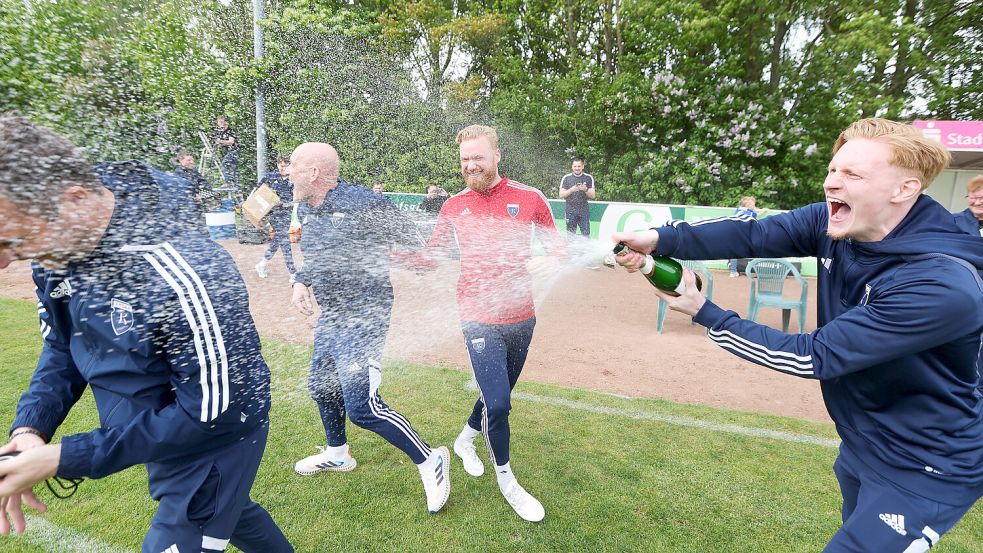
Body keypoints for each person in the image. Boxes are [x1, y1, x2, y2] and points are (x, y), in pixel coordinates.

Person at [613, 118, 983, 552]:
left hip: (928, 467)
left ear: (904, 189)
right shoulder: (834, 224)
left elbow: (815, 356)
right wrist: (659, 238)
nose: (832, 184)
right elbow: (754, 233)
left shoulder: (939, 284)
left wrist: (708, 314)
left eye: (852, 175)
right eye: (832, 170)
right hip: (863, 443)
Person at [0, 117, 292, 552]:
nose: (6, 263)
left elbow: (214, 411)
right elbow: (64, 346)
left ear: (74, 201)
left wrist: (65, 457)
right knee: (235, 515)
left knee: (206, 509)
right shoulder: (57, 254)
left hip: (220, 435)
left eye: (15, 242)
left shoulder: (181, 264)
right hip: (152, 432)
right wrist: (31, 428)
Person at [405, 125, 566, 522]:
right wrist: (389, 255)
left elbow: (559, 249)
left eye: (477, 157)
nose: (470, 166)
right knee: (498, 402)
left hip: (521, 317)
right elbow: (430, 259)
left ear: (497, 156)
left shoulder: (529, 198)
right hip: (476, 316)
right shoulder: (452, 205)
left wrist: (548, 260)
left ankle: (464, 441)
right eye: (464, 160)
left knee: (499, 394)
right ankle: (508, 482)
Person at [286, 142, 451, 514]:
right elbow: (315, 256)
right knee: (321, 387)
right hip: (333, 316)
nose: (287, 171)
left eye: (293, 165)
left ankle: (430, 459)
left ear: (314, 172)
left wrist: (382, 255)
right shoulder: (306, 209)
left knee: (363, 408)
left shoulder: (363, 202)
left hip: (366, 315)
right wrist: (301, 281)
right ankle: (338, 454)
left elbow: (412, 243)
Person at [254, 155, 297, 281]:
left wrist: (283, 203)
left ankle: (262, 264)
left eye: (285, 165)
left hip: (286, 213)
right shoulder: (270, 177)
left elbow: (296, 199)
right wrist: (269, 196)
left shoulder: (294, 179)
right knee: (284, 240)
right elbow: (258, 192)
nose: (282, 167)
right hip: (273, 214)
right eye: (280, 165)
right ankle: (293, 272)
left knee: (278, 239)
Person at [558, 158, 595, 238]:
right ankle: (570, 250)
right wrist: (572, 190)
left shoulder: (588, 178)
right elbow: (561, 195)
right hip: (570, 211)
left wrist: (585, 189)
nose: (577, 168)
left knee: (586, 235)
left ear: (582, 167)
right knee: (570, 236)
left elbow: (593, 195)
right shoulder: (566, 178)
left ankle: (585, 250)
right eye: (575, 166)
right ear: (572, 167)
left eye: (579, 166)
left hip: (584, 211)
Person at [727, 195, 761, 277]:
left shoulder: (739, 209)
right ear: (748, 206)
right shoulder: (751, 213)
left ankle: (733, 271)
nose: (754, 206)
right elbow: (757, 213)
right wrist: (764, 210)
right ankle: (756, 270)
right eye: (753, 205)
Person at [213, 115, 239, 189]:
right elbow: (216, 141)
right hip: (226, 152)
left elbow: (231, 142)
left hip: (233, 151)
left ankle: (228, 183)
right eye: (219, 123)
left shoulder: (230, 130)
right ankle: (236, 185)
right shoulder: (219, 131)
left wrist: (221, 141)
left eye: (222, 122)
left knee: (225, 164)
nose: (221, 125)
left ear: (226, 122)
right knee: (233, 169)